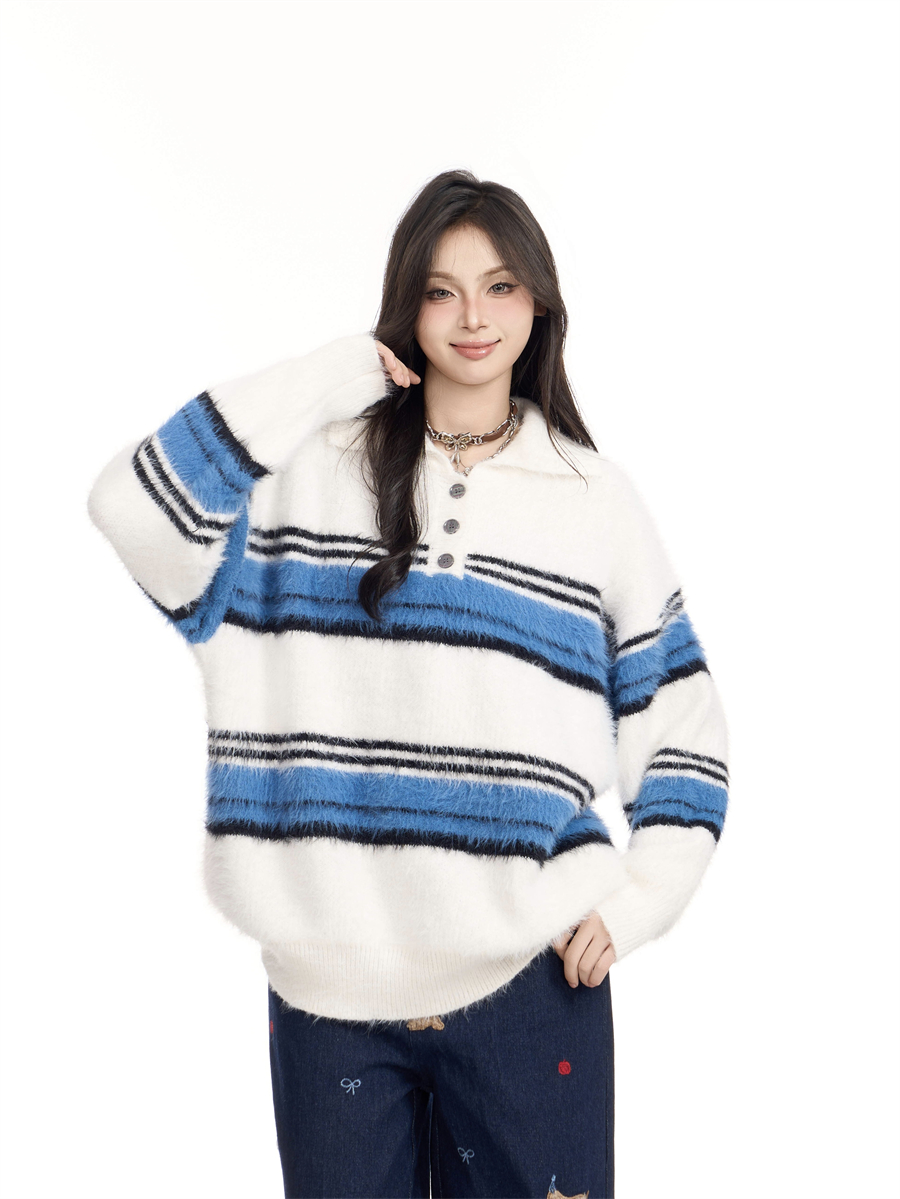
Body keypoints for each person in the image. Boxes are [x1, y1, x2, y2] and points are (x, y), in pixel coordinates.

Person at [87, 169, 729, 1199]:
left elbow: (682, 722)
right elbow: (133, 504)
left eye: (501, 286)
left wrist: (644, 898)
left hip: (532, 980)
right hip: (330, 989)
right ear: (406, 307)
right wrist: (328, 377)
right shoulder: (307, 472)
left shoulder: (593, 500)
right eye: (441, 290)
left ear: (539, 303)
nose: (474, 317)